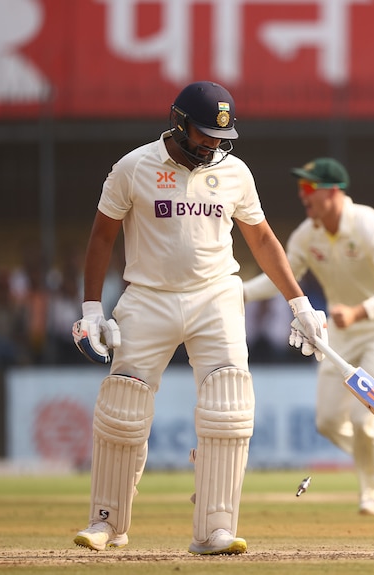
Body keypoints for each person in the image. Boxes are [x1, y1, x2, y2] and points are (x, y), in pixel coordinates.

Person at [71, 81, 326, 555]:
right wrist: (90, 310)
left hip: (216, 297)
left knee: (229, 407)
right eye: (204, 133)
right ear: (177, 121)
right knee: (122, 408)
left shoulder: (235, 173)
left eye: (220, 137)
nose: (212, 145)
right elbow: (102, 237)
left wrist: (299, 303)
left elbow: (264, 240)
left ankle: (215, 528)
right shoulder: (134, 167)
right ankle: (106, 523)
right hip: (147, 297)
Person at [243, 157, 374, 516]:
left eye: (310, 187)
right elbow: (278, 278)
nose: (302, 195)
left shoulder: (368, 224)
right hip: (341, 331)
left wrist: (358, 311)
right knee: (328, 422)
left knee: (361, 416)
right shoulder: (307, 234)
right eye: (300, 187)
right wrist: (233, 290)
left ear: (333, 191)